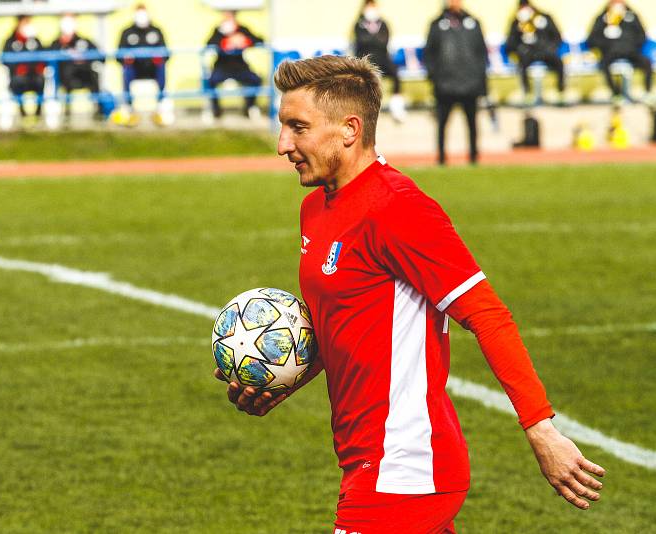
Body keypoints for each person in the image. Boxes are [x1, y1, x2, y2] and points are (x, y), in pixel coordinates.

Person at [215, 55, 606, 533]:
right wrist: (285, 379)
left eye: (298, 128)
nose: (283, 145)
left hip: (404, 467)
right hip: (366, 459)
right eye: (283, 127)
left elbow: (487, 314)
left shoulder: (397, 208)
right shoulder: (314, 209)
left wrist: (540, 428)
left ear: (349, 129)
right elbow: (345, 323)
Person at [423, 0, 488, 166]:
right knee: (442, 124)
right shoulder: (437, 25)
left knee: (472, 124)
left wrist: (480, 80)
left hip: (470, 84)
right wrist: (435, 77)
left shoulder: (473, 23)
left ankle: (474, 157)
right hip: (445, 85)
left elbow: (481, 54)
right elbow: (429, 54)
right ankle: (442, 158)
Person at [587, 0, 653, 102]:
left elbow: (642, 36)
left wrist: (631, 44)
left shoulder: (632, 18)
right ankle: (616, 93)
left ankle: (647, 92)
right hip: (611, 51)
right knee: (604, 64)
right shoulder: (602, 19)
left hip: (631, 51)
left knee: (647, 62)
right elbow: (592, 40)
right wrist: (606, 40)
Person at [117, 4, 170, 126]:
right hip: (134, 69)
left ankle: (161, 104)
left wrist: (159, 58)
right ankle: (128, 107)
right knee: (126, 70)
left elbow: (166, 53)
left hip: (152, 68)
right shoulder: (127, 32)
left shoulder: (156, 31)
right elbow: (118, 55)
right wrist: (126, 59)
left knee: (161, 68)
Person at [353, 0, 406, 122]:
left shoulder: (383, 24)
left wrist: (371, 40)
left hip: (383, 59)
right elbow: (361, 42)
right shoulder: (359, 24)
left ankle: (396, 106)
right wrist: (375, 39)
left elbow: (384, 42)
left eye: (373, 6)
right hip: (366, 59)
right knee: (365, 78)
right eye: (369, 6)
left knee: (395, 73)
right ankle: (365, 108)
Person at [206, 10, 264, 119]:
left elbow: (259, 40)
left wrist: (244, 40)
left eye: (229, 16)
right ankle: (216, 110)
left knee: (256, 80)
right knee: (210, 82)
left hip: (240, 68)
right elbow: (209, 44)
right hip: (221, 67)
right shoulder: (218, 30)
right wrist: (227, 41)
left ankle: (249, 107)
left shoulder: (242, 29)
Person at [505, 0, 565, 102]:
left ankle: (560, 90)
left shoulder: (544, 18)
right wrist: (520, 40)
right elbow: (510, 44)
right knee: (521, 65)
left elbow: (557, 37)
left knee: (559, 62)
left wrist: (550, 47)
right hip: (528, 53)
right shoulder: (516, 22)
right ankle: (527, 93)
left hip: (545, 51)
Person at [50, 14, 105, 120]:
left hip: (85, 75)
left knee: (94, 75)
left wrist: (84, 58)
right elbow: (48, 58)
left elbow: (101, 57)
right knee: (65, 73)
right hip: (67, 77)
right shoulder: (56, 43)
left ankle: (99, 110)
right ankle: (67, 112)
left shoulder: (84, 41)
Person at [2, 15, 46, 118]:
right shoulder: (10, 41)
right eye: (25, 22)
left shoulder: (35, 41)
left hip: (34, 76)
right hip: (19, 77)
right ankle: (22, 112)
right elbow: (5, 59)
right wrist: (17, 69)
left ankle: (38, 111)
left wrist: (39, 68)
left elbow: (44, 57)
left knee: (40, 80)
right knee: (17, 82)